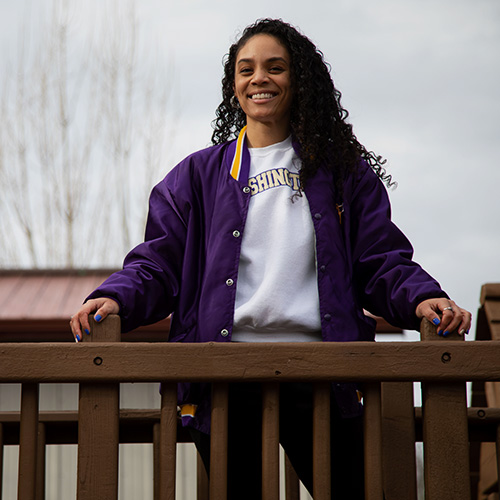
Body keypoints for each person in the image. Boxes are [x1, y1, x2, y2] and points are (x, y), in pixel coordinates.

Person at [70, 19, 471, 499]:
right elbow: (158, 263)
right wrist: (115, 297)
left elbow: (380, 258)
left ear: (298, 79)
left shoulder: (340, 172)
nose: (258, 78)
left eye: (274, 67)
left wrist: (423, 297)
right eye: (246, 69)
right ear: (233, 85)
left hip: (324, 372)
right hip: (225, 376)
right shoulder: (197, 176)